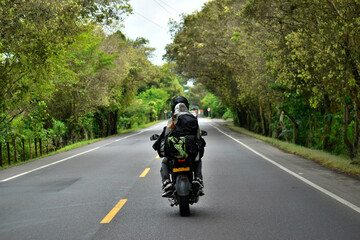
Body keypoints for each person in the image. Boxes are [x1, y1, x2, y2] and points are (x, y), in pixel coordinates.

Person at [153, 96, 205, 198]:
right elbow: (198, 135)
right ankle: (198, 179)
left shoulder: (172, 120)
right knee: (198, 160)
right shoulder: (192, 119)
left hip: (174, 153)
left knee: (165, 162)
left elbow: (166, 135)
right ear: (187, 106)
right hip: (190, 152)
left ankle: (166, 181)